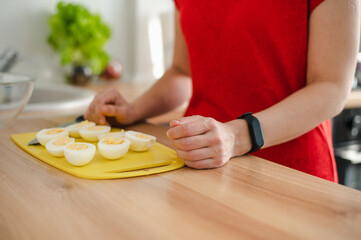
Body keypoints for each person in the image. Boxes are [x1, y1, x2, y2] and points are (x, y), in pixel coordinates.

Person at [85, 0, 360, 182]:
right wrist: (134, 110)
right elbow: (182, 71)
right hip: (197, 169)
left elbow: (332, 86)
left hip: (290, 176)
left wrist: (236, 136)